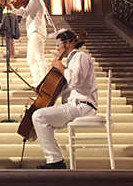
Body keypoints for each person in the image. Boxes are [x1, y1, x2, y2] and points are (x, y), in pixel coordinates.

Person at [31, 30, 98, 169]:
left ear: (67, 43)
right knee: (41, 118)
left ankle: (55, 161)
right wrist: (44, 89)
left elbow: (76, 81)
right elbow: (66, 88)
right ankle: (55, 159)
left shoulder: (80, 57)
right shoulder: (71, 61)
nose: (57, 48)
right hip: (74, 105)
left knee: (39, 116)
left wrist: (60, 67)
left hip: (82, 105)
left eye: (58, 44)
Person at [12, 0, 47, 86]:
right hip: (32, 32)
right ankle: (37, 81)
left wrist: (13, 9)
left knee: (39, 57)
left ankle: (44, 81)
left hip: (36, 31)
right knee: (30, 59)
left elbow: (25, 13)